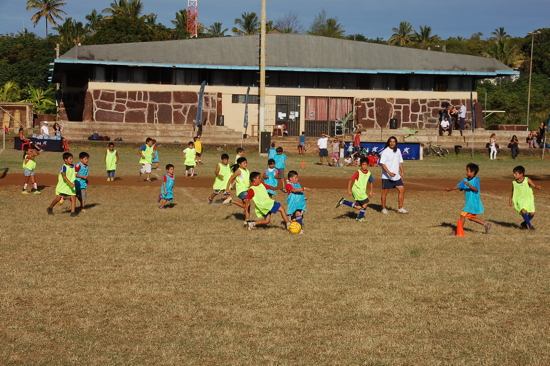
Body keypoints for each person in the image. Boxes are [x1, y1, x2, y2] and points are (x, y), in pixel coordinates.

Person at [444, 163, 492, 234]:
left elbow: (476, 189)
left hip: (473, 202)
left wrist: (468, 185)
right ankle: (486, 224)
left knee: (462, 214)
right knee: (471, 217)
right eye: (466, 170)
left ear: (473, 172)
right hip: (468, 202)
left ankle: (457, 231)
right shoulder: (465, 180)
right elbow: (458, 186)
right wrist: (450, 189)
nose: (466, 172)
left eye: (467, 171)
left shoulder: (476, 179)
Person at [335, 157, 374, 222]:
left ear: (368, 165)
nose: (364, 166)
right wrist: (349, 190)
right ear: (361, 164)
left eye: (365, 164)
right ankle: (359, 218)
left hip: (361, 191)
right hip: (357, 190)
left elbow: (371, 182)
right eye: (363, 164)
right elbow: (350, 181)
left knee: (358, 207)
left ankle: (344, 201)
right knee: (366, 202)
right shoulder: (358, 172)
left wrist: (371, 191)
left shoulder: (369, 173)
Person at [380, 136, 408, 214]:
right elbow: (382, 164)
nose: (392, 143)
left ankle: (400, 208)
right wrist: (389, 173)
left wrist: (402, 172)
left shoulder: (398, 151)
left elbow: (400, 162)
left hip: (396, 176)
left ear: (396, 143)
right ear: (388, 142)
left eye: (394, 142)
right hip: (386, 176)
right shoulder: (385, 152)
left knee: (402, 190)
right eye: (391, 141)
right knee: (385, 192)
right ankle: (383, 208)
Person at [510, 165, 542, 230]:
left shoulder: (527, 180)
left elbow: (534, 185)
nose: (514, 175)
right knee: (523, 211)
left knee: (532, 213)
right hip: (519, 199)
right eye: (514, 173)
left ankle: (524, 223)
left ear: (522, 174)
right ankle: (530, 226)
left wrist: (536, 186)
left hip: (528, 199)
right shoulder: (514, 183)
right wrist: (510, 200)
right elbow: (512, 191)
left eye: (516, 174)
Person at [47, 152, 77, 217]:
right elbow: (64, 176)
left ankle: (73, 213)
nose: (72, 160)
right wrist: (70, 183)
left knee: (73, 198)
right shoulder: (64, 167)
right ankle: (50, 208)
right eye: (70, 159)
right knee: (58, 199)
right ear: (65, 160)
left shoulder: (73, 166)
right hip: (63, 186)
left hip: (71, 186)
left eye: (72, 159)